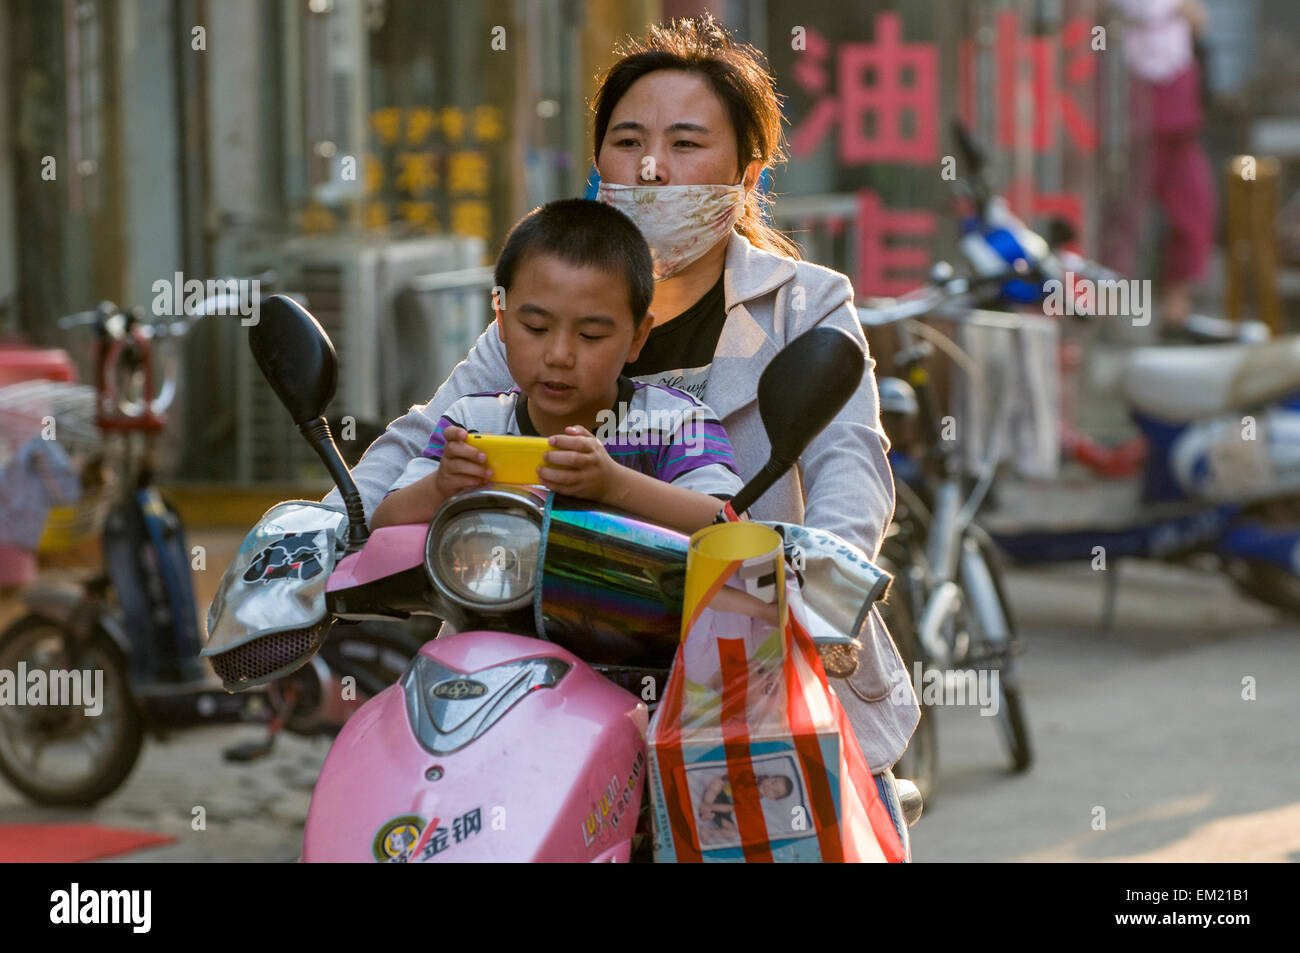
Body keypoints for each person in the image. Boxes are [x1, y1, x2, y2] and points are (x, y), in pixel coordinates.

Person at [324, 15, 919, 858]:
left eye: (685, 143)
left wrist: (810, 589)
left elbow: (850, 473)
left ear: (746, 173)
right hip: (555, 672)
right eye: (628, 140)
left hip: (749, 670)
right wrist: (321, 527)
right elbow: (425, 431)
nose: (651, 166)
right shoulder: (548, 316)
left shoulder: (803, 304)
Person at [371, 198, 742, 533]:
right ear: (500, 319)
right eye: (536, 328)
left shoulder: (674, 425)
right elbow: (383, 520)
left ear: (637, 337)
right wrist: (440, 486)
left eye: (591, 334)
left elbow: (731, 526)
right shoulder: (473, 425)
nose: (559, 355)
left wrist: (615, 485)